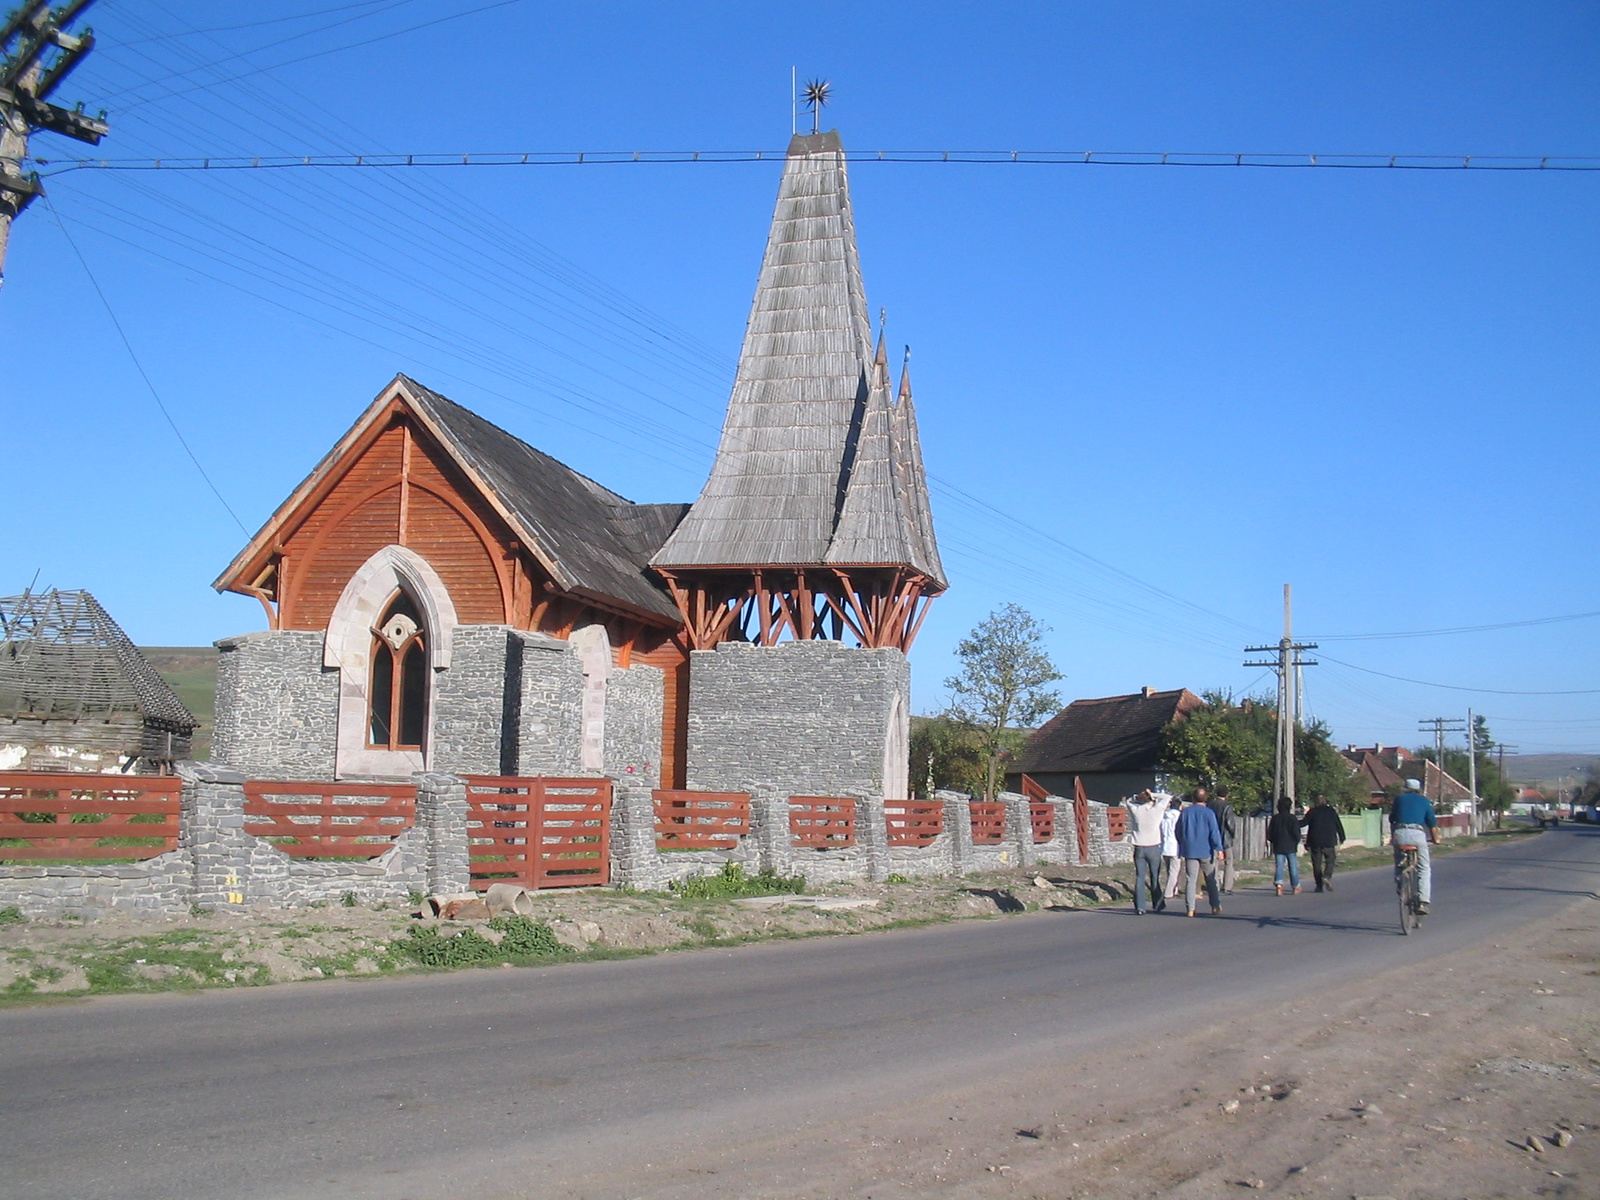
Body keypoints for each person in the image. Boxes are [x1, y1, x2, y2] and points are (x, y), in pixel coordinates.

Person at [1390, 778, 1439, 912]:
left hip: (1399, 833)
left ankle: (1401, 886)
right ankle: (1423, 901)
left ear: (1405, 788)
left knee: (1399, 862)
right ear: (1419, 789)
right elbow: (1432, 823)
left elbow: (1392, 819)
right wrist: (1436, 840)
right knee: (1424, 867)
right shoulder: (1424, 801)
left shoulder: (1398, 799)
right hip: (1417, 834)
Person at [1175, 795, 1224, 916]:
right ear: (1205, 799)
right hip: (1206, 850)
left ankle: (1190, 908)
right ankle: (1215, 905)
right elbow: (1214, 832)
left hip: (1190, 850)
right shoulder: (1209, 813)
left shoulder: (1185, 812)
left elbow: (1178, 830)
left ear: (1193, 799)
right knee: (1211, 879)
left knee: (1191, 879)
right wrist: (1219, 848)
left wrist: (1182, 843)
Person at [1125, 789, 1172, 914]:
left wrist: (1138, 796)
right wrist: (1152, 794)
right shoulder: (1156, 811)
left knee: (1140, 877)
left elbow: (1129, 801)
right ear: (1151, 801)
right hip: (1153, 846)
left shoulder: (1136, 811)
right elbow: (1167, 797)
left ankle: (1140, 906)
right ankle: (1157, 904)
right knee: (1154, 877)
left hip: (1139, 847)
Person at [1300, 792, 1343, 892]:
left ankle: (1319, 886)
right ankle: (1326, 876)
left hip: (1315, 841)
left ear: (1316, 802)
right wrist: (1342, 837)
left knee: (1317, 864)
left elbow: (1303, 823)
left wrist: (1291, 822)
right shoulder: (1331, 811)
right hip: (1329, 841)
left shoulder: (1312, 811)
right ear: (1325, 801)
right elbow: (1338, 825)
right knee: (1330, 860)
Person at [1267, 796, 1302, 895]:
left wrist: (1273, 841)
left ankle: (1279, 884)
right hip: (1291, 846)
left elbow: (1270, 833)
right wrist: (1296, 840)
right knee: (1293, 867)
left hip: (1278, 846)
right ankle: (1295, 886)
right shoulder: (1292, 818)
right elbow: (1296, 833)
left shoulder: (1275, 818)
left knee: (1279, 866)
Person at [1208, 786, 1239, 893]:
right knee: (1228, 862)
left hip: (1212, 836)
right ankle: (1227, 886)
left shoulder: (1210, 805)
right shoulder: (1227, 806)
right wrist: (1233, 834)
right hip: (1225, 838)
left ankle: (1214, 885)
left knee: (1214, 862)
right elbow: (1230, 823)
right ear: (1226, 795)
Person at [1160, 795, 1183, 899]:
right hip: (1175, 846)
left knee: (1169, 870)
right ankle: (1168, 892)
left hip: (1165, 846)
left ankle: (1175, 889)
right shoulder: (1179, 816)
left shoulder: (1164, 816)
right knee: (1174, 871)